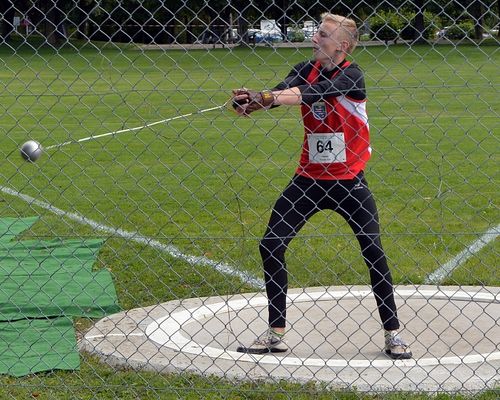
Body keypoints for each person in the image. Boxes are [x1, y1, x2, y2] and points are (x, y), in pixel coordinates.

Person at [231, 13, 412, 360]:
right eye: (316, 33)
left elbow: (314, 93)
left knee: (373, 252)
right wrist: (255, 101)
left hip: (349, 182)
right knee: (271, 245)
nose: (315, 39)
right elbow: (289, 89)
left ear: (342, 45)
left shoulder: (352, 75)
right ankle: (275, 332)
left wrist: (269, 97)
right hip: (309, 179)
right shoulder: (304, 67)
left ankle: (393, 333)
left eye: (323, 35)